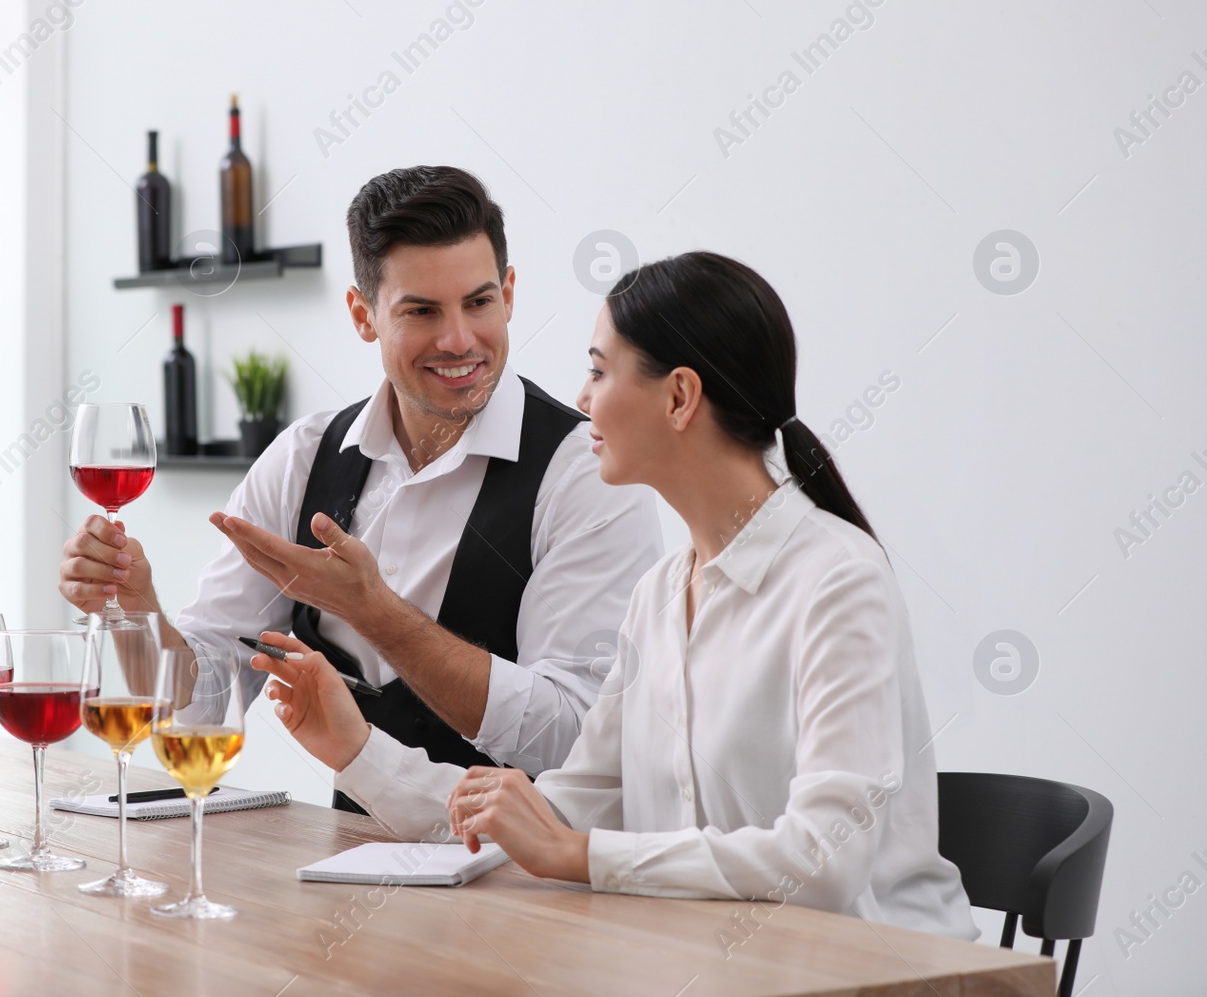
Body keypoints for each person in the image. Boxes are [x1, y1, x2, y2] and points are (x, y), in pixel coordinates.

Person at [249, 251, 978, 939]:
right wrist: (358, 749)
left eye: (599, 371)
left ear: (680, 396)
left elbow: (824, 859)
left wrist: (583, 855)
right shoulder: (662, 593)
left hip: (877, 973)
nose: (580, 398)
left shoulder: (836, 579)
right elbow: (548, 814)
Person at [59, 166, 663, 810]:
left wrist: (376, 613)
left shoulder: (589, 474)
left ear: (509, 295)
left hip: (531, 881)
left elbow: (576, 739)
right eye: (421, 311)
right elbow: (208, 695)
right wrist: (138, 612)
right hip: (346, 857)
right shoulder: (302, 458)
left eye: (479, 302)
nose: (459, 339)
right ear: (363, 314)